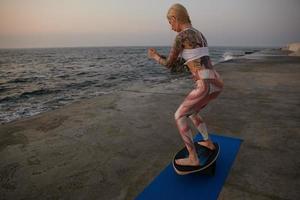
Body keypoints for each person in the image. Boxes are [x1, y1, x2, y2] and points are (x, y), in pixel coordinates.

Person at [148, 3, 224, 167]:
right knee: (192, 112)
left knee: (179, 115)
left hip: (203, 84)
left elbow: (169, 64)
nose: (171, 27)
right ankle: (208, 142)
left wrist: (154, 56)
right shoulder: (199, 34)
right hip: (216, 82)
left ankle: (193, 158)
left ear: (175, 18)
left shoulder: (181, 36)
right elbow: (184, 63)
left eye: (170, 22)